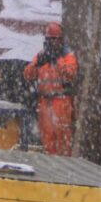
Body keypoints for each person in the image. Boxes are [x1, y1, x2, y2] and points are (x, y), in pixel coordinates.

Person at [23, 22, 78, 156]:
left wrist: (57, 60)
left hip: (62, 102)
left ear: (61, 40)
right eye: (49, 39)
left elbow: (70, 74)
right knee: (47, 142)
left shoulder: (68, 57)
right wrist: (37, 64)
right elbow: (27, 75)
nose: (51, 42)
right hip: (44, 103)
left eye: (54, 39)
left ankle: (63, 172)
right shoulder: (42, 55)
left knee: (63, 142)